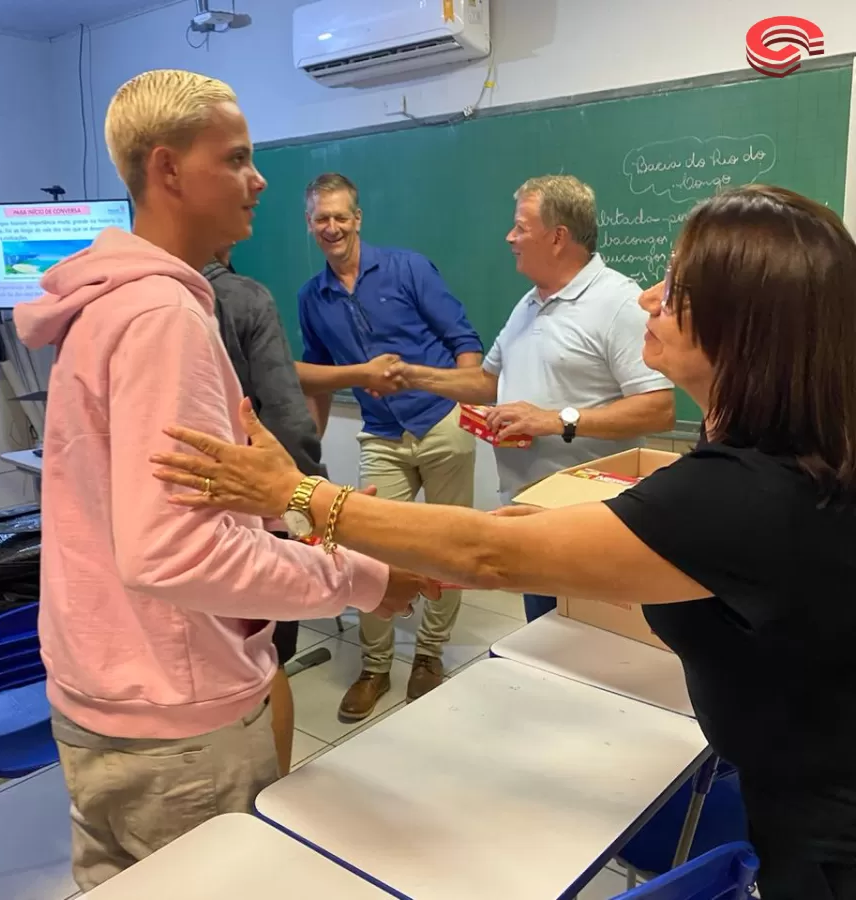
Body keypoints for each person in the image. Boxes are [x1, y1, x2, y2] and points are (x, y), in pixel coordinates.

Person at [151, 185, 856, 900]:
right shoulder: (792, 452)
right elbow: (552, 534)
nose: (650, 298)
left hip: (826, 838)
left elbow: (487, 555)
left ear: (744, 325)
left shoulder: (747, 488)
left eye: (675, 286)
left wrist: (294, 493)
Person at [13, 69, 433, 891]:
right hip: (176, 721)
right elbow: (173, 554)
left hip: (105, 692)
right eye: (237, 158)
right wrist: (360, 575)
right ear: (168, 171)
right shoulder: (163, 318)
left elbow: (171, 509)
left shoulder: (106, 308)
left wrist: (302, 517)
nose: (261, 178)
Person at [384, 175, 675, 622]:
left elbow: (658, 407)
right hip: (527, 510)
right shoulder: (529, 303)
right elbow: (486, 382)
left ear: (557, 237)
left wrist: (556, 420)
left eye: (520, 227)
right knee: (542, 630)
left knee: (588, 637)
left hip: (587, 520)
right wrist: (412, 376)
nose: (509, 237)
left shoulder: (619, 302)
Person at [294, 172, 484, 719]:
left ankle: (428, 656)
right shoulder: (314, 297)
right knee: (371, 547)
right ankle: (375, 665)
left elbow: (464, 343)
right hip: (381, 433)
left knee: (448, 549)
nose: (332, 227)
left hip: (443, 422)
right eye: (321, 219)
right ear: (311, 225)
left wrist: (465, 404)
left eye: (340, 217)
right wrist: (311, 450)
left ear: (358, 219)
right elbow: (322, 375)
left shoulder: (408, 268)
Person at [204, 245, 324, 776]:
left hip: (186, 520)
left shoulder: (114, 299)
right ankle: (269, 798)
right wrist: (311, 504)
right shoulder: (244, 297)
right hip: (257, 510)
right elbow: (284, 414)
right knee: (268, 656)